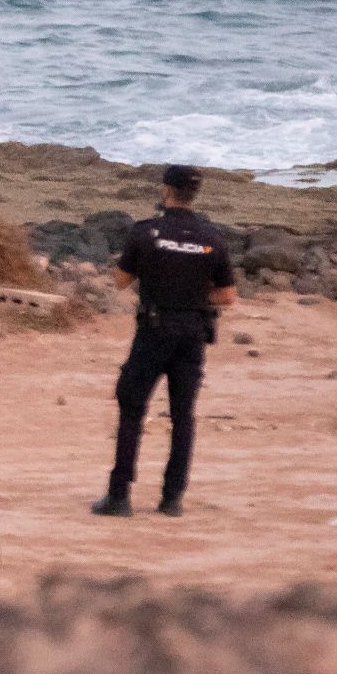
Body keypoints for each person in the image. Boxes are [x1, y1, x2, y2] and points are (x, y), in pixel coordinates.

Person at [92, 165, 236, 519]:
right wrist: (195, 294)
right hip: (192, 332)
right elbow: (228, 295)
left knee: (132, 408)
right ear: (195, 194)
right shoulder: (211, 237)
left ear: (166, 190)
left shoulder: (146, 233)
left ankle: (119, 494)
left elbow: (122, 281)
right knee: (183, 415)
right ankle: (172, 498)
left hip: (155, 329)